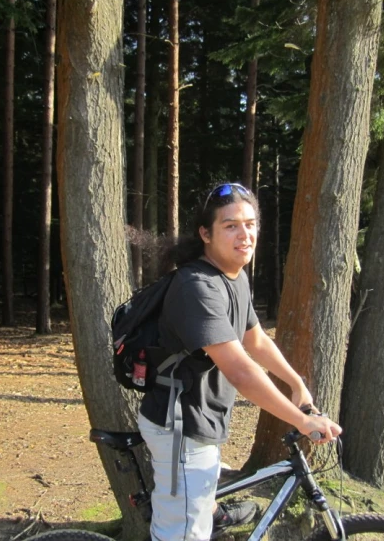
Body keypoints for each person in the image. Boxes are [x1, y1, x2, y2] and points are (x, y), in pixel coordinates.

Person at [138, 183, 342, 541]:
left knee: (199, 514)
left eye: (250, 224)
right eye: (231, 225)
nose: (244, 234)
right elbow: (240, 370)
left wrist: (297, 385)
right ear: (206, 233)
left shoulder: (235, 276)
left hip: (203, 421)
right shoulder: (197, 287)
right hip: (181, 429)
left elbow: (256, 340)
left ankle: (211, 515)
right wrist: (302, 421)